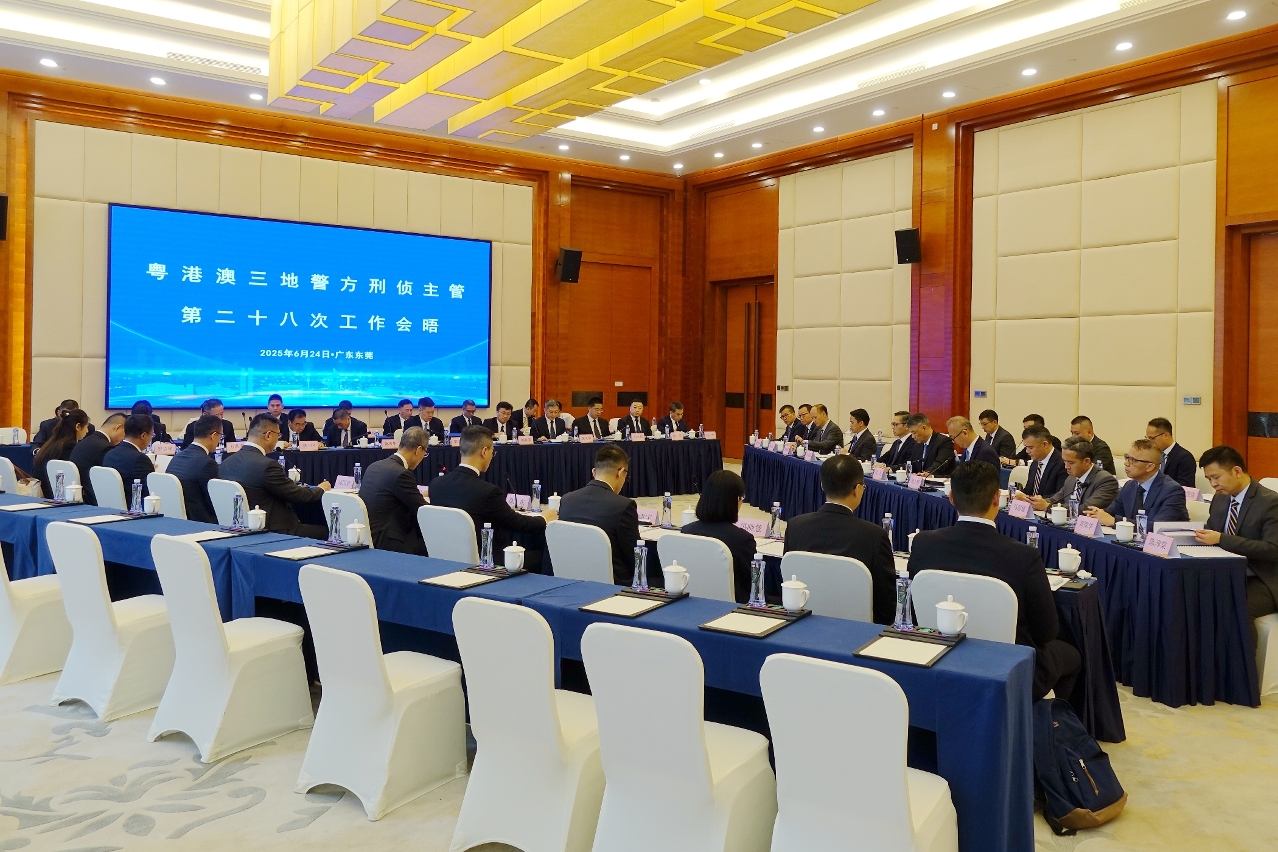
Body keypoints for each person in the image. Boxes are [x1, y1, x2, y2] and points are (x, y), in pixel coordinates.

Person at [909, 460, 1081, 700]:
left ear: (951, 498)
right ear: (996, 499)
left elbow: (914, 610)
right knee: (1073, 655)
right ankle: (1041, 718)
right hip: (1008, 666)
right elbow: (1046, 631)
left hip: (939, 655)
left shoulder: (923, 543)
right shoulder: (1023, 555)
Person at [783, 455, 895, 624]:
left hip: (803, 622)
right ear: (857, 489)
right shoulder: (874, 535)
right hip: (859, 629)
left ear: (822, 485)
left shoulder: (795, 526)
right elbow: (887, 605)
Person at [428, 426, 553, 570]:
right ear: (484, 451)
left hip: (444, 560)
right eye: (492, 452)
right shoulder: (487, 492)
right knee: (544, 554)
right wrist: (544, 518)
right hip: (488, 562)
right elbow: (518, 524)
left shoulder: (435, 485)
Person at [1195, 445, 1278, 646]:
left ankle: (1243, 665)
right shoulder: (1220, 498)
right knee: (1190, 594)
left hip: (1263, 577)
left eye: (1216, 477)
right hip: (1227, 571)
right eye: (1208, 479)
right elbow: (1213, 532)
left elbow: (1272, 549)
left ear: (1237, 471)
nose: (1213, 484)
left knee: (1236, 605)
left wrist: (1222, 539)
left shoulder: (1270, 502)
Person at [218, 413, 331, 537]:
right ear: (268, 435)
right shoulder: (267, 465)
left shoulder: (226, 462)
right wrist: (321, 489)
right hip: (274, 530)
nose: (278, 439)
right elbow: (298, 495)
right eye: (278, 435)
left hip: (241, 527)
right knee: (329, 531)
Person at [558, 444, 639, 584]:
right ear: (620, 473)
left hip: (569, 580)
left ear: (594, 472)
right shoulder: (623, 506)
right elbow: (635, 558)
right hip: (613, 585)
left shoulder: (566, 500)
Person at [682, 471, 757, 603]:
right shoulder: (742, 539)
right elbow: (753, 582)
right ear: (735, 501)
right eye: (741, 498)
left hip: (690, 601)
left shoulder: (687, 531)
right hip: (731, 606)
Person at [1085, 438, 1189, 526]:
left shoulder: (1172, 491)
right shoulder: (1129, 486)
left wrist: (1115, 522)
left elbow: (1157, 527)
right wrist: (1096, 514)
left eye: (1133, 460)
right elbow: (1111, 513)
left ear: (1150, 467)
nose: (1126, 463)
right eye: (1127, 458)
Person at [359, 426, 429, 555]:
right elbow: (424, 510)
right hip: (390, 544)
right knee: (437, 544)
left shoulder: (374, 466)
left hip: (370, 537)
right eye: (425, 453)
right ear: (418, 450)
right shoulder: (402, 473)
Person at [1020, 439, 1118, 513]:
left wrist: (1048, 507)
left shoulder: (1106, 480)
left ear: (1086, 461)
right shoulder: (1071, 478)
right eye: (1064, 461)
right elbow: (1055, 499)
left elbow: (1085, 509)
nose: (1066, 466)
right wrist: (1033, 501)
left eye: (1071, 462)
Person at [166, 414, 222, 523]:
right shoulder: (207, 464)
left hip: (176, 521)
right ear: (213, 435)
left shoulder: (177, 457)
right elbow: (215, 502)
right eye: (220, 435)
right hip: (202, 524)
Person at [33, 408, 89, 498]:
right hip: (55, 496)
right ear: (78, 427)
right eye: (86, 427)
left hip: (42, 494)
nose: (87, 431)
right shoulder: (70, 447)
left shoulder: (50, 444)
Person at [71, 412, 125, 505]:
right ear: (118, 427)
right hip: (94, 500)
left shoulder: (84, 442)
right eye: (125, 433)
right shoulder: (105, 447)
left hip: (80, 496)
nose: (124, 438)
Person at [102, 413, 156, 501]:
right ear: (143, 436)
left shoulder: (109, 454)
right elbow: (150, 492)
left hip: (109, 504)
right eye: (152, 435)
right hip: (132, 507)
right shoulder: (140, 459)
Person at [1147, 417, 1196, 488]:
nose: (1150, 442)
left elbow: (1184, 486)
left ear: (1166, 435)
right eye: (1148, 438)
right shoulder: (1152, 455)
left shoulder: (1185, 457)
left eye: (1152, 438)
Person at [1021, 424, 1065, 497]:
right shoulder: (1035, 462)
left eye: (1031, 448)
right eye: (1026, 447)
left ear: (1044, 444)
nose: (1027, 451)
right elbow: (1029, 491)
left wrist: (1031, 499)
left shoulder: (1062, 464)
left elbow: (1060, 496)